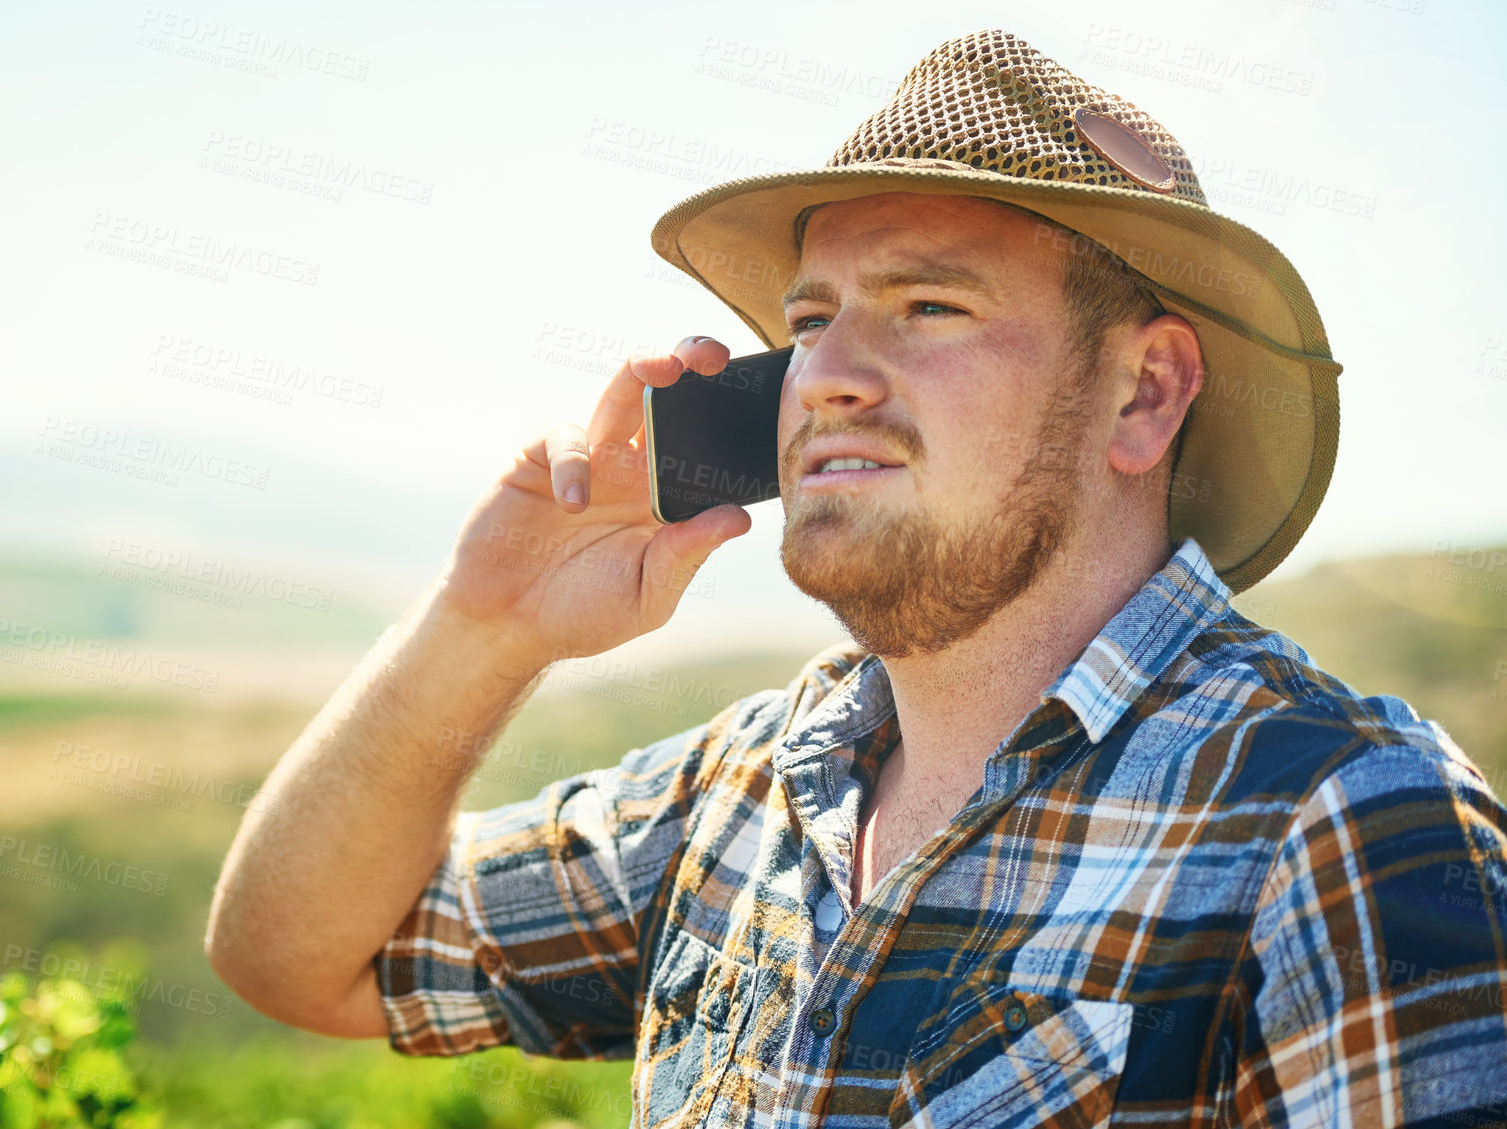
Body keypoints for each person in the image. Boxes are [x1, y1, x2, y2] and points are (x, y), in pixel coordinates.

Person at [206, 29, 1507, 1126]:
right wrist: (482, 623)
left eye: (928, 305)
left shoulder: (1342, 820)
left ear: (1143, 390)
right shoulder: (738, 791)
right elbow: (300, 957)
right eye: (810, 317)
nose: (823, 372)